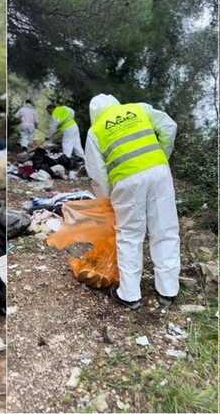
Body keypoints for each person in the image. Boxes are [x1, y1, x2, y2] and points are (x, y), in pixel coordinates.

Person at [84, 93, 180, 310]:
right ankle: (168, 290)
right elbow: (169, 126)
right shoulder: (139, 108)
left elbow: (97, 173)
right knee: (165, 230)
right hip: (159, 174)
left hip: (126, 181)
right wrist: (162, 158)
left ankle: (130, 295)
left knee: (129, 235)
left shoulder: (96, 130)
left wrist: (107, 199)